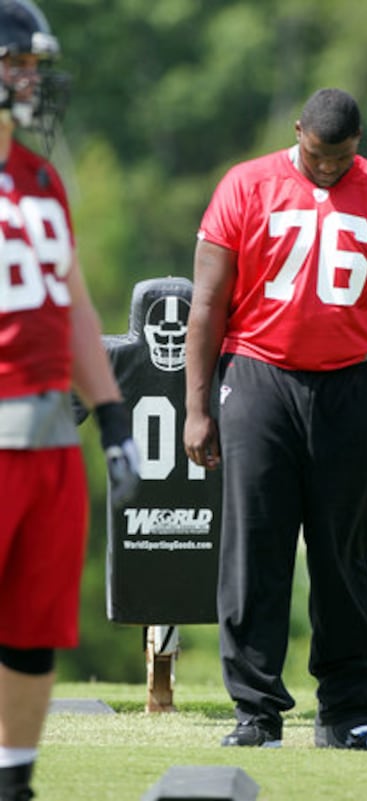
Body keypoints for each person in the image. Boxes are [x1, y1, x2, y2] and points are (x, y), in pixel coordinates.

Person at [184, 88, 367, 749]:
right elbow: (209, 305)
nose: (328, 168)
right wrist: (196, 406)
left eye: (342, 156)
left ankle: (347, 709)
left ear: (360, 141)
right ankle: (256, 711)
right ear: (297, 131)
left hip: (354, 382)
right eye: (317, 154)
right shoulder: (246, 186)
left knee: (343, 551)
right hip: (259, 376)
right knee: (256, 550)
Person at [0, 2, 139, 799]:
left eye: (32, 66)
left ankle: (14, 782)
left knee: (30, 631)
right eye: (16, 63)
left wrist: (113, 415)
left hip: (50, 435)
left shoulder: (42, 176)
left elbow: (72, 300)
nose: (30, 81)